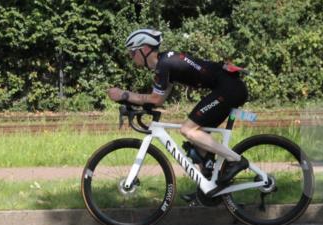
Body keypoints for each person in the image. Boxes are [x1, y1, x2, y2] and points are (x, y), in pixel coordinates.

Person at [106, 28, 250, 192]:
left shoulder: (164, 64)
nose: (131, 57)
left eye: (132, 53)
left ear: (144, 49)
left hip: (229, 90)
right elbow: (158, 100)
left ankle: (235, 160)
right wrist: (133, 103)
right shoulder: (167, 62)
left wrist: (124, 94)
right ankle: (209, 186)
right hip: (228, 88)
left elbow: (154, 99)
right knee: (198, 140)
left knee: (188, 130)